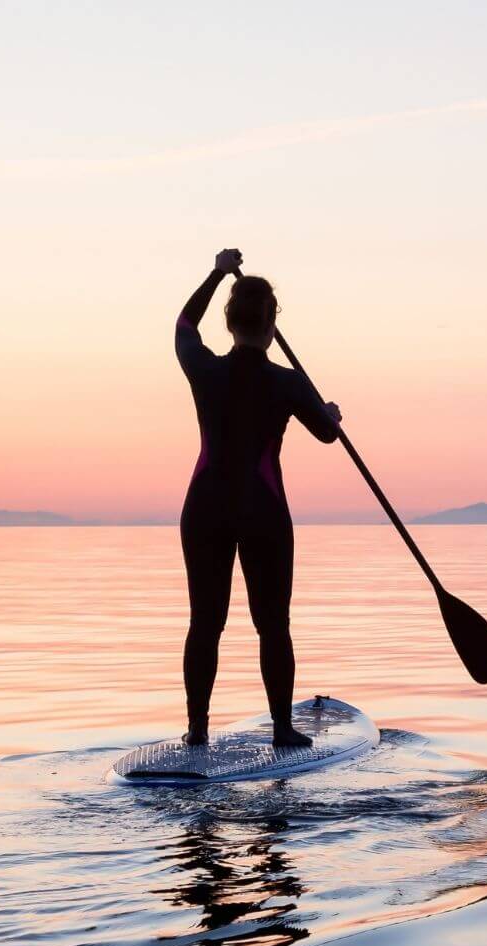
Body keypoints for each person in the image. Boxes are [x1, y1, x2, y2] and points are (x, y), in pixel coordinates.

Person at [174, 248, 342, 747]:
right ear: (271, 326)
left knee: (205, 623)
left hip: (204, 507)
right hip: (263, 511)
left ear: (228, 322)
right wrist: (329, 410)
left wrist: (216, 272)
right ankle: (283, 730)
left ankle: (196, 731)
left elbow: (184, 324)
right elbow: (328, 434)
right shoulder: (287, 382)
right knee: (273, 624)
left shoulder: (203, 369)